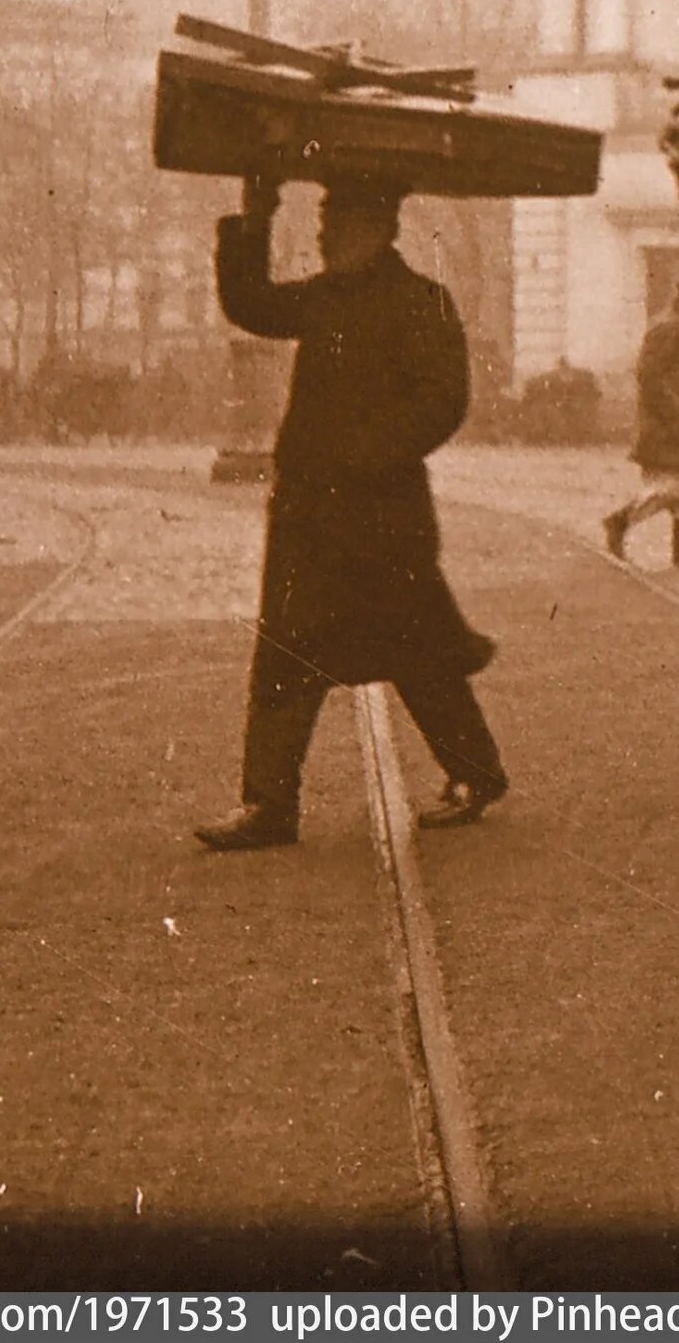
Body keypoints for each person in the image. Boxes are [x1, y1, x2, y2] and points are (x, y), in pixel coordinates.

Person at [194, 175, 509, 851]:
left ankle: (477, 774)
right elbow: (250, 303)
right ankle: (269, 804)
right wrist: (256, 215)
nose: (323, 232)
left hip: (382, 517)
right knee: (284, 651)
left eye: (335, 220)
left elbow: (444, 400)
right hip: (311, 516)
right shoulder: (325, 296)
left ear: (376, 227)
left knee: (422, 653)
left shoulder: (423, 302)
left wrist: (368, 452)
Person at [604, 275, 679, 569]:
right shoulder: (666, 329)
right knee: (672, 485)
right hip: (665, 424)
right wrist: (674, 415)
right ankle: (619, 521)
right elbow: (649, 377)